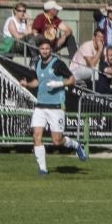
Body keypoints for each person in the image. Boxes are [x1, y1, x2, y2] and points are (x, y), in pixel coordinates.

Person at [25, 42, 83, 173]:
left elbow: (72, 80)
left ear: (51, 50)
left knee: (56, 140)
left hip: (55, 107)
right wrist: (27, 84)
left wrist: (58, 83)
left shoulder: (58, 64)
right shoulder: (37, 63)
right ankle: (43, 169)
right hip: (40, 106)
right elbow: (37, 81)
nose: (44, 51)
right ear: (39, 50)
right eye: (42, 48)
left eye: (47, 49)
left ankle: (76, 145)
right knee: (36, 135)